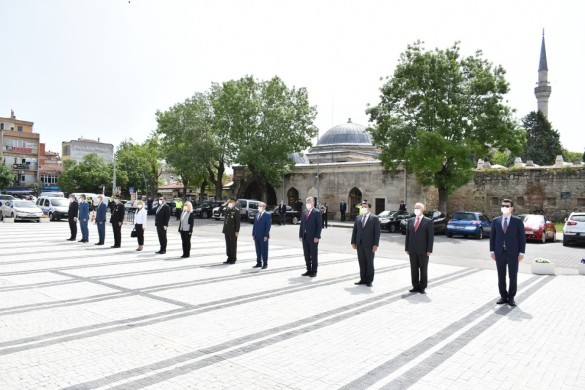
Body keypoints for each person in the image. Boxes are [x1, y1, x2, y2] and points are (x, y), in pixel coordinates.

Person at [490, 198, 526, 307]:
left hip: (513, 253)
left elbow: (522, 238)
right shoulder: (496, 221)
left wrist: (521, 253)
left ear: (511, 208)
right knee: (501, 275)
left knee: (513, 276)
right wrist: (492, 251)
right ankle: (503, 296)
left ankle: (511, 297)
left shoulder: (517, 221)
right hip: (499, 253)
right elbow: (492, 237)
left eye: (507, 206)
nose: (504, 208)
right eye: (503, 206)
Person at [405, 202, 434, 294]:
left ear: (422, 210)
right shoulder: (410, 220)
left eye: (418, 208)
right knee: (413, 269)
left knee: (423, 269)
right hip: (412, 250)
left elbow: (430, 237)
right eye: (415, 208)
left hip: (423, 250)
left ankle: (422, 287)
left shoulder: (428, 221)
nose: (416, 210)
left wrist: (429, 250)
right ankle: (415, 285)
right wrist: (407, 247)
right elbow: (408, 235)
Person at [351, 201, 381, 287]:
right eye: (363, 207)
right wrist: (353, 242)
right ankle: (363, 279)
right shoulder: (358, 218)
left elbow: (377, 233)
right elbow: (355, 231)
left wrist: (375, 244)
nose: (364, 208)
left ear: (369, 208)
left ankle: (369, 280)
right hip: (359, 244)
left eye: (366, 207)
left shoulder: (374, 218)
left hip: (370, 245)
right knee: (362, 262)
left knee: (369, 263)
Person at [298, 196, 322, 277]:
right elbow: (302, 225)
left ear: (313, 203)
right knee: (306, 254)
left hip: (313, 238)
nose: (308, 203)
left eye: (309, 202)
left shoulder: (317, 212)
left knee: (313, 255)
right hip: (305, 237)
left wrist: (317, 237)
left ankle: (314, 271)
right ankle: (308, 270)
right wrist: (300, 235)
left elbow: (319, 226)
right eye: (307, 202)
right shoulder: (304, 212)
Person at [252, 201, 272, 269]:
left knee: (264, 250)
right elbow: (254, 225)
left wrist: (266, 235)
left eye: (260, 206)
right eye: (258, 206)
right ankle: (259, 262)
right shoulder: (257, 214)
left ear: (264, 207)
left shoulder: (267, 215)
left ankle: (265, 263)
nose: (259, 207)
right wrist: (253, 234)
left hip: (263, 236)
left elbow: (268, 226)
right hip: (257, 235)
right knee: (258, 250)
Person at [222, 198, 241, 264]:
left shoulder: (236, 211)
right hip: (226, 229)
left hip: (233, 231)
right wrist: (224, 204)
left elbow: (238, 222)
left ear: (235, 203)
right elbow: (219, 211)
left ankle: (233, 258)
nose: (230, 203)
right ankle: (229, 257)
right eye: (229, 202)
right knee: (228, 245)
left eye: (231, 202)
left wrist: (237, 231)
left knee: (233, 245)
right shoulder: (227, 209)